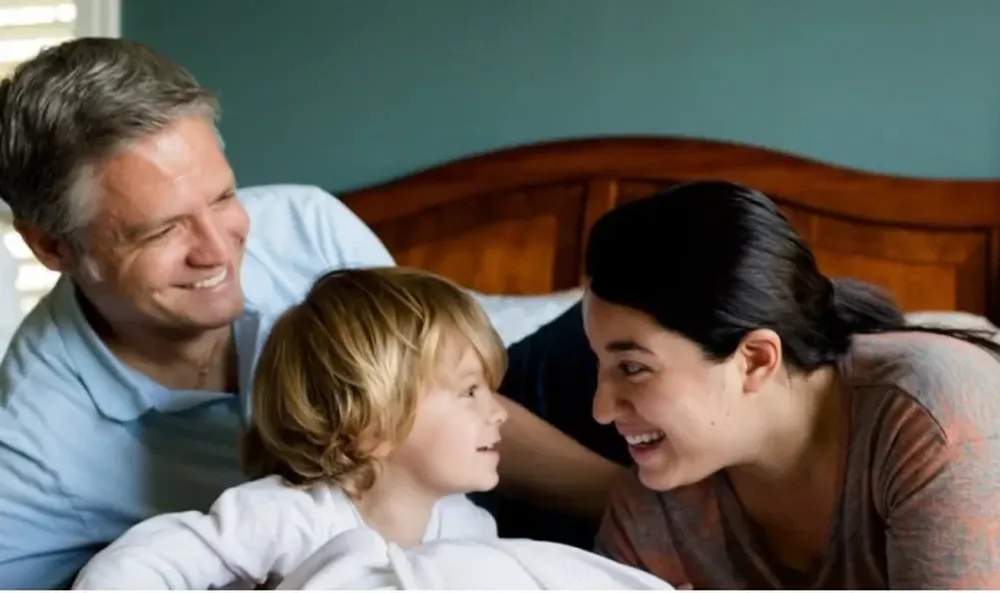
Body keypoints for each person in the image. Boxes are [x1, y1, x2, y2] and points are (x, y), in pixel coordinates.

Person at [0, 38, 620, 588]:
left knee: (619, 326)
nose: (218, 252)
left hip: (460, 462)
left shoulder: (304, 223)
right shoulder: (32, 446)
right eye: (161, 230)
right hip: (375, 509)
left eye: (223, 198)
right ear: (52, 246)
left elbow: (433, 393)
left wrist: (625, 500)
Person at [584, 180, 1000, 589]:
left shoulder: (934, 419)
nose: (601, 410)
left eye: (633, 368)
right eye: (599, 364)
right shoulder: (652, 512)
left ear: (755, 360)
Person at [73, 267, 506, 589]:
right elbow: (135, 567)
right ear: (372, 423)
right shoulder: (290, 516)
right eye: (470, 391)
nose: (499, 413)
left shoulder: (471, 530)